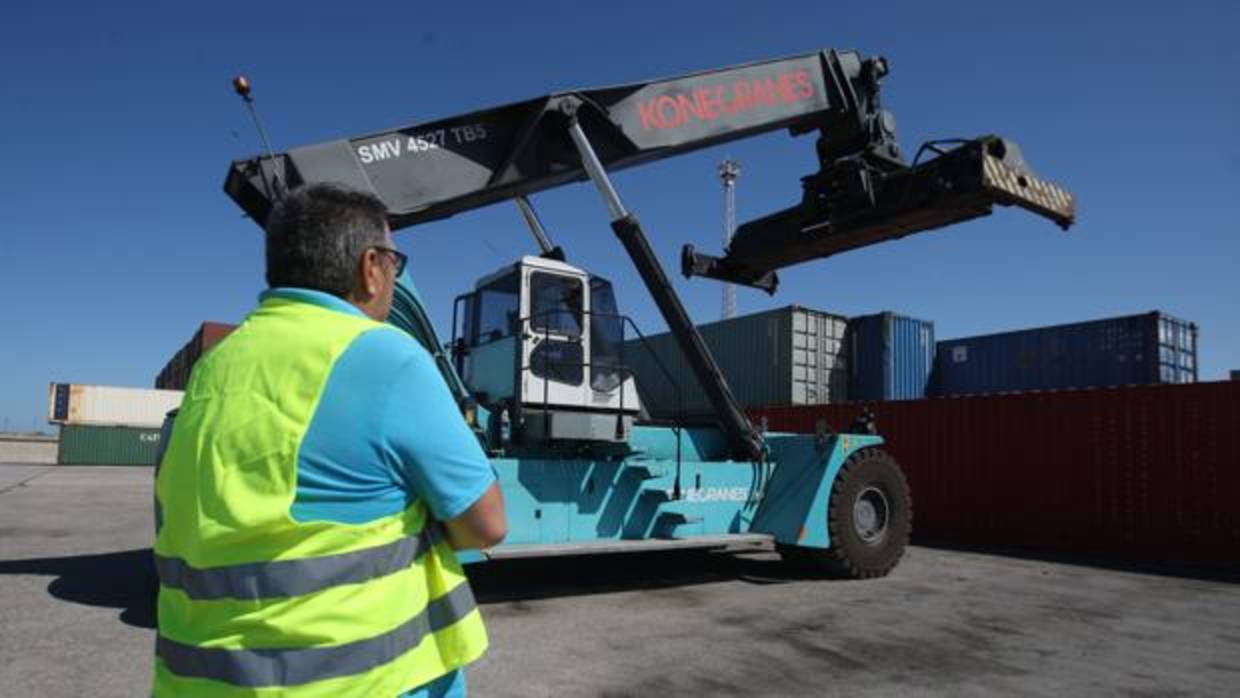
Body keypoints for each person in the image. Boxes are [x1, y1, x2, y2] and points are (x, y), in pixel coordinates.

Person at [152, 183, 506, 697]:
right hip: (364, 682)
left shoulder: (215, 368)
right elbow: (486, 526)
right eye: (395, 263)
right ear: (371, 267)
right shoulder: (387, 357)